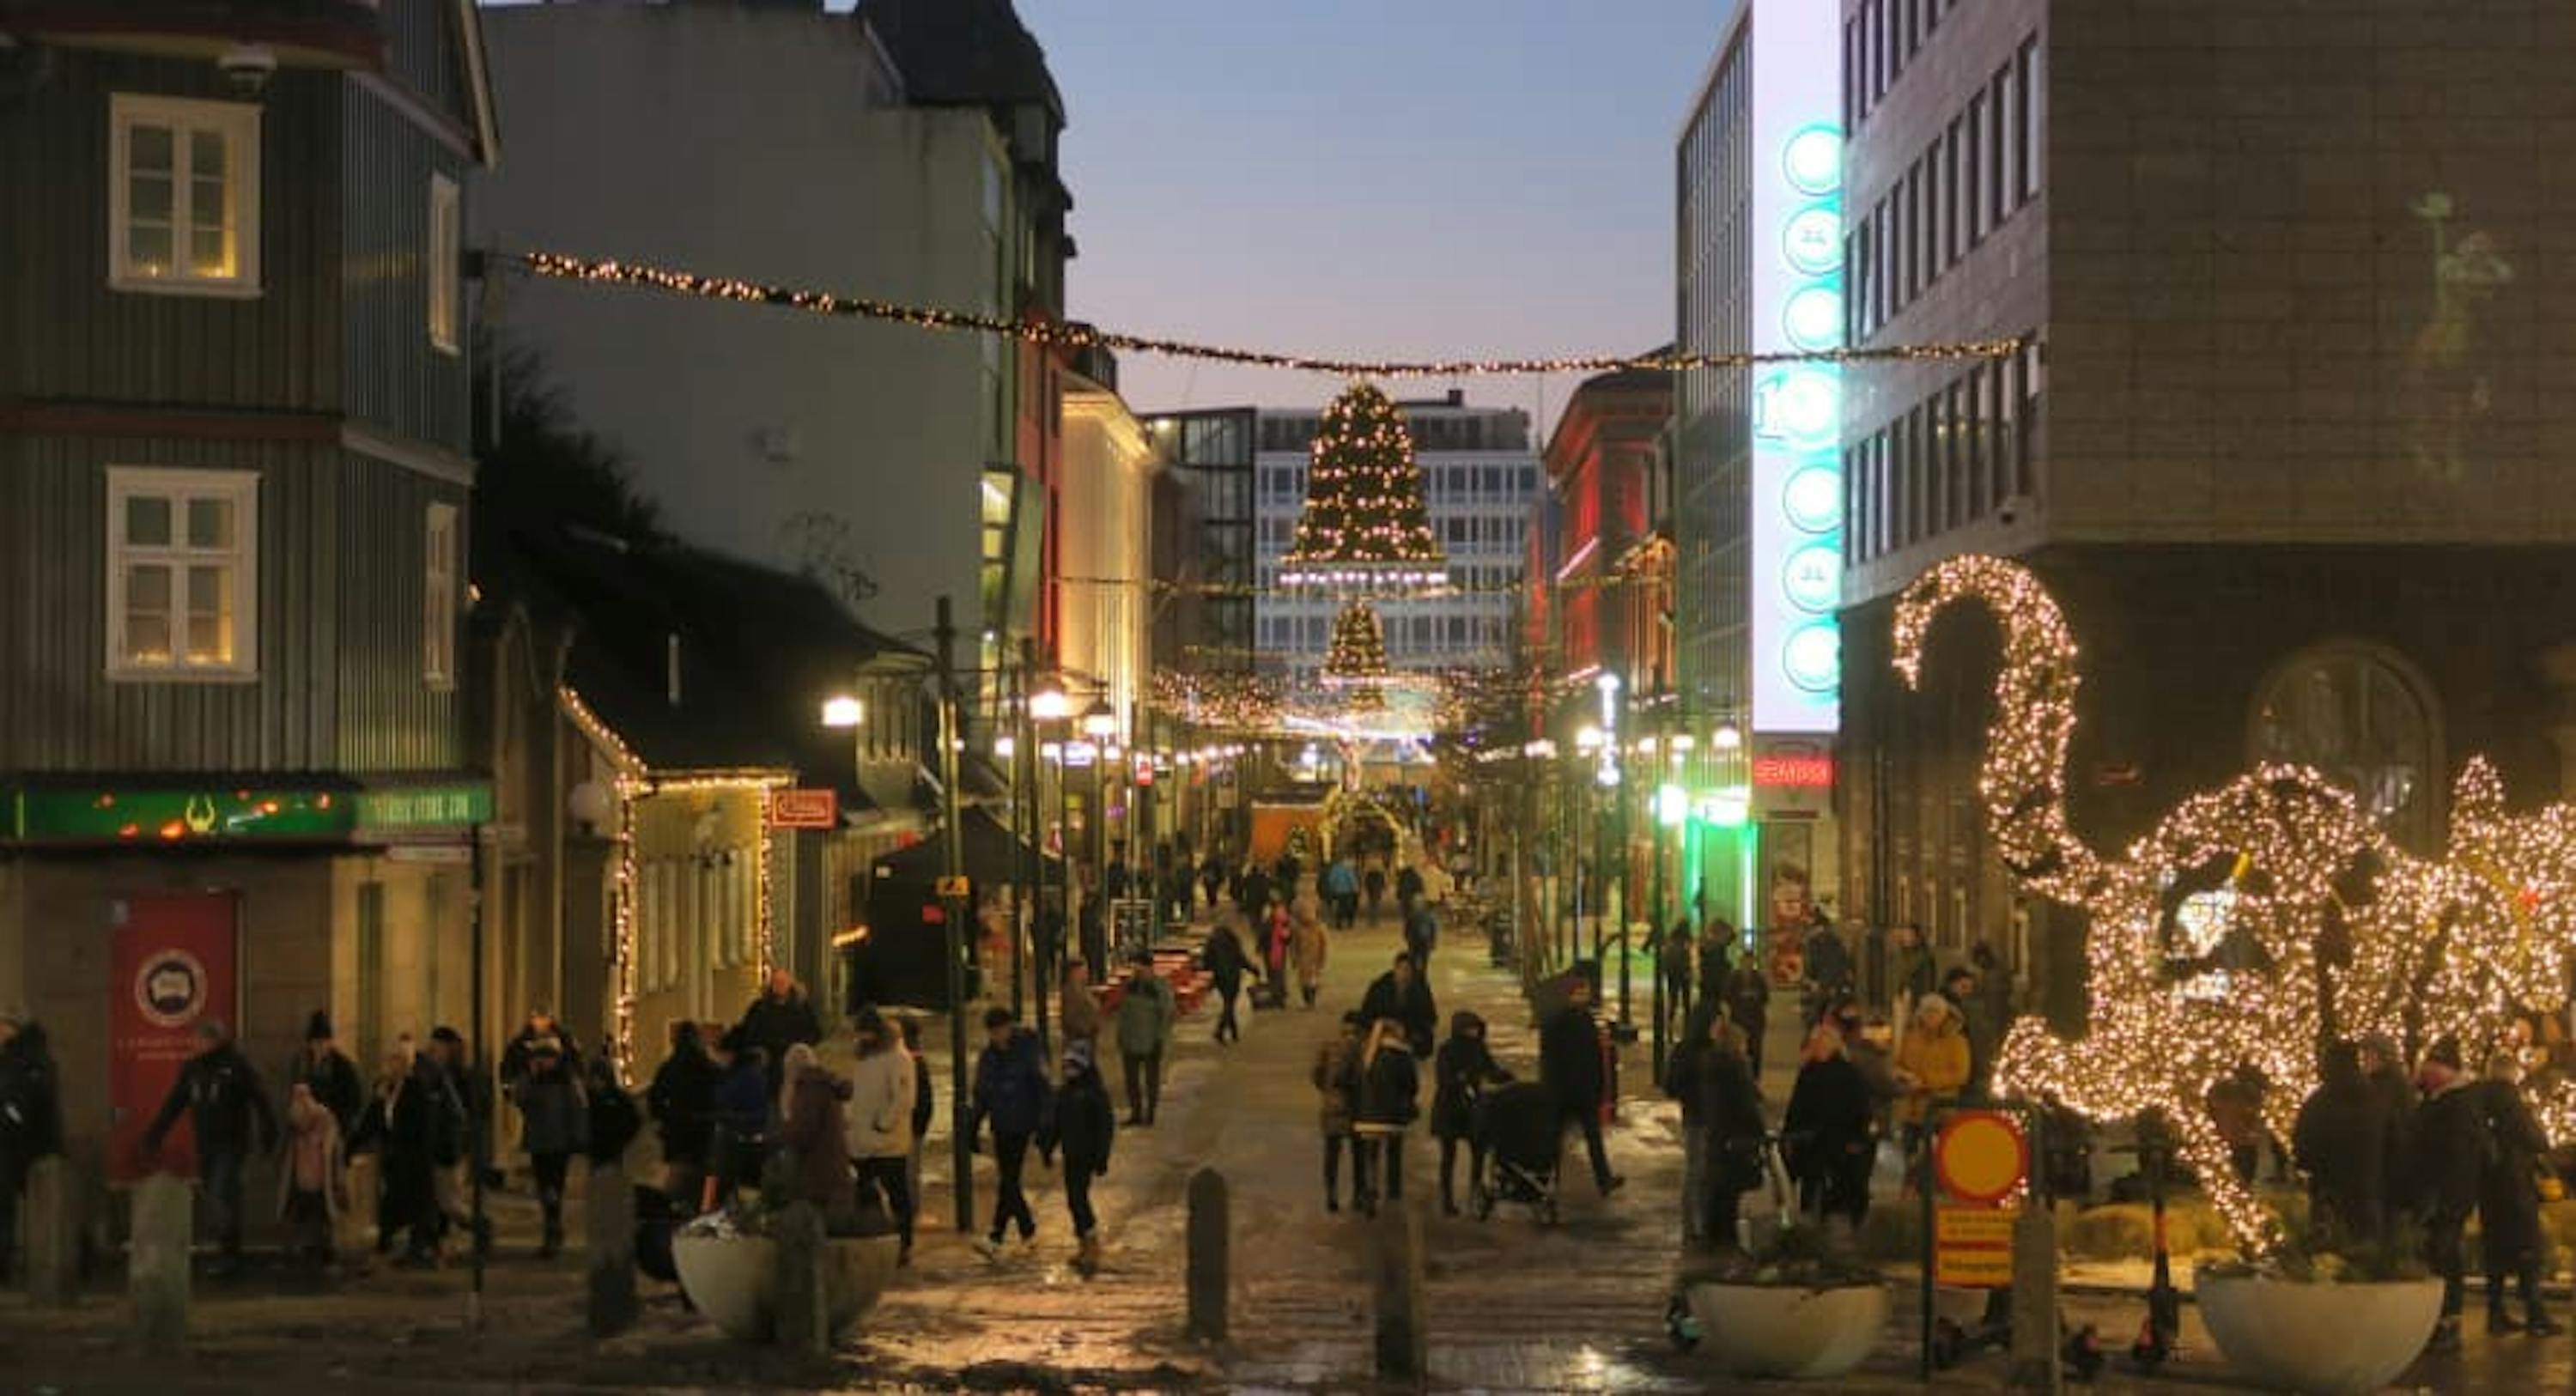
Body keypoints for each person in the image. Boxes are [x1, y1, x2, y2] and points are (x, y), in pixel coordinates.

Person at [141, 1018, 277, 1275]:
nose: (194, 1044)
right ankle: (229, 1251)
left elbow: (260, 1098)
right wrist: (155, 1134)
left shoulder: (236, 1065)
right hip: (206, 1144)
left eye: (199, 1040)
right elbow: (176, 1102)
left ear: (213, 1041)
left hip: (232, 1143)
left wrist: (268, 1132)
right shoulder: (192, 1069)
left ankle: (229, 1253)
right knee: (219, 1196)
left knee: (221, 1191)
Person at [2407, 1038, 2488, 1353]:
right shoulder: (2437, 1101)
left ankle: (2448, 1322)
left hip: (2445, 1197)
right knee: (2438, 1255)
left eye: (2431, 1067)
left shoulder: (2457, 1105)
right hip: (2437, 1194)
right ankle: (2440, 1321)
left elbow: (2458, 1158)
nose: (2425, 1073)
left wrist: (2446, 1198)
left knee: (2445, 1256)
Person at [2477, 1052, 2560, 1335]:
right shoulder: (2512, 1102)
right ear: (2512, 1073)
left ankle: (2495, 1313)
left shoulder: (2477, 1102)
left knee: (2495, 1251)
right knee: (2527, 1248)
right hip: (2515, 1186)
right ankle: (2535, 1314)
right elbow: (2538, 1140)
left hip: (2488, 1189)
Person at [2291, 1041, 2398, 1241]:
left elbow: (2302, 1144)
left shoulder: (2319, 1102)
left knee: (2330, 1253)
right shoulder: (2375, 1097)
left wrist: (2310, 1171)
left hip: (2329, 1189)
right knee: (2366, 1251)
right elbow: (2393, 1141)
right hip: (2369, 1189)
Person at [967, 1008, 1051, 1257]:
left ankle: (1001, 1235)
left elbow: (1042, 1086)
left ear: (1008, 1027)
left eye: (999, 1030)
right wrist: (974, 1124)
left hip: (1023, 1121)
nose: (997, 1036)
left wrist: (1045, 1124)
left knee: (1009, 1179)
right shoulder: (989, 1057)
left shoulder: (1027, 1050)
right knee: (1008, 1179)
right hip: (1001, 1122)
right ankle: (1022, 1233)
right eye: (992, 1032)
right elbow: (982, 1092)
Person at [1785, 1019, 1877, 1236]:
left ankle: (1842, 1230)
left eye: (1820, 1043)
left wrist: (1858, 1138)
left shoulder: (1849, 1074)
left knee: (1841, 1190)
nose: (1816, 1047)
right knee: (1811, 1188)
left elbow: (1862, 1108)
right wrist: (1789, 1136)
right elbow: (1796, 1107)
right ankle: (1812, 1231)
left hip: (1839, 1143)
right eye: (1814, 1043)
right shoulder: (1808, 1072)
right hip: (1811, 1142)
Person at [845, 1008, 916, 1263]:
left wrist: (884, 1124)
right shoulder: (864, 1057)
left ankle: (903, 1243)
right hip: (861, 1139)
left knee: (897, 1193)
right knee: (862, 1191)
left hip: (888, 1142)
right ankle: (872, 1238)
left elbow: (903, 1099)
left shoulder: (898, 1058)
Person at [1540, 977, 1623, 1198]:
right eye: (1580, 993)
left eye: (1586, 993)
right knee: (1554, 1139)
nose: (1585, 997)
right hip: (1564, 1091)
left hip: (1584, 1091)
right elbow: (1550, 1060)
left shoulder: (1585, 1020)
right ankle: (1548, 1180)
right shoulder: (1556, 1023)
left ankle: (1603, 1180)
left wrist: (1599, 1087)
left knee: (1593, 1137)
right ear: (1570, 995)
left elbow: (1595, 1056)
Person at [1041, 1039, 1116, 1272]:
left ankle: (1090, 1243)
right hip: (1071, 1154)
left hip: (1085, 1156)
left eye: (1074, 1065)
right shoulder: (1065, 1094)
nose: (1069, 1070)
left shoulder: (1094, 1095)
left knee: (1078, 1198)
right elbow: (1056, 1124)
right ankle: (1085, 1243)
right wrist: (1047, 1148)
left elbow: (1104, 1128)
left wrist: (1101, 1157)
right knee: (1074, 1200)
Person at [509, 1032, 587, 1258]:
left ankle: (553, 1231)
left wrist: (577, 1137)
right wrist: (529, 1076)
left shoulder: (567, 1079)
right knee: (545, 1188)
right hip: (539, 1141)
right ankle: (552, 1228)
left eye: (547, 1057)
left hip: (559, 1143)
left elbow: (578, 1107)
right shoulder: (532, 1078)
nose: (543, 1062)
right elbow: (519, 1099)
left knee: (553, 1187)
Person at [1431, 1011, 1513, 1217]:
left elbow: (1490, 1070)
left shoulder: (1478, 1048)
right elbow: (1444, 1079)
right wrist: (1463, 1078)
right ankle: (1447, 1199)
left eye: (1476, 1028)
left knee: (1478, 1152)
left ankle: (1474, 1194)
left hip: (1471, 1109)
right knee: (1449, 1156)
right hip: (1450, 1108)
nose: (1474, 1032)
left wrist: (1504, 1077)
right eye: (1470, 1028)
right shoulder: (1447, 1050)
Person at [1694, 1022, 1766, 1253]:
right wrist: (1759, 1131)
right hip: (1736, 1139)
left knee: (1720, 1188)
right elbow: (1746, 1107)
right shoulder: (1735, 1070)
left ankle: (1714, 1236)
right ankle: (1725, 1240)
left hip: (1720, 1135)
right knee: (1730, 1191)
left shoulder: (1712, 1066)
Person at [0, 1015, 63, 1279]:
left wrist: (10, 1117)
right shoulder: (13, 1061)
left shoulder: (30, 1061)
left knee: (36, 1206)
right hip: (15, 1142)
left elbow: (23, 1102)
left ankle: (69, 1259)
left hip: (25, 1144)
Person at [770, 1040, 854, 1231]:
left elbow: (803, 1130)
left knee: (813, 1228)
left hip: (816, 1169)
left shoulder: (809, 1088)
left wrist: (779, 1136)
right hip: (831, 1166)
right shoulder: (824, 1086)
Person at [647, 1021, 722, 1205]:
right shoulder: (709, 1068)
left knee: (677, 1181)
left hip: (676, 1130)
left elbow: (655, 1099)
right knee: (704, 1180)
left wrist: (665, 1117)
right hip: (704, 1131)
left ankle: (676, 1213)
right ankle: (702, 1211)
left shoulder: (669, 1068)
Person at [1352, 1018, 1420, 1215]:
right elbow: (1412, 1086)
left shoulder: (1366, 1054)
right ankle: (1393, 1191)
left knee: (1371, 1155)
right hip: (1394, 1115)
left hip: (1368, 1116)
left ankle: (1371, 1191)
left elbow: (1356, 1082)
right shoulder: (1403, 1055)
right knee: (1394, 1152)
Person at [277, 1081, 348, 1270]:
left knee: (319, 1215)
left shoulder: (324, 1120)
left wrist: (338, 1178)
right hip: (305, 1178)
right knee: (307, 1214)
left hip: (318, 1179)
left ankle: (322, 1251)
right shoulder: (300, 1122)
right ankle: (311, 1249)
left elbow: (334, 1153)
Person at [1893, 995, 1970, 1162]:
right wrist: (1905, 1077)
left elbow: (1960, 1074)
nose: (1930, 1016)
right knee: (1911, 1156)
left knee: (1940, 1157)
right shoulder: (1910, 1037)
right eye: (1927, 1011)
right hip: (1911, 1108)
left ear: (1944, 1014)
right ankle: (1912, 1185)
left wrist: (1927, 1081)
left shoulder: (1957, 1041)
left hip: (1941, 1109)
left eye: (1935, 1012)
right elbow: (1897, 1063)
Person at [708, 1031, 772, 1210]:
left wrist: (728, 1117)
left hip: (739, 1144)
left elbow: (757, 1113)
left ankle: (711, 1211)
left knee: (721, 1183)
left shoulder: (744, 1076)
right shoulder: (743, 1074)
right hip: (739, 1141)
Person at [736, 969, 823, 1095]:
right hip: (768, 1059)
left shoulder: (801, 1007)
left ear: (790, 983)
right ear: (771, 985)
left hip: (793, 1058)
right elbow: (748, 1032)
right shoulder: (760, 1007)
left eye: (783, 982)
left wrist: (801, 1046)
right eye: (776, 982)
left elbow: (815, 1033)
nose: (779, 986)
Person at [1311, 1012, 1364, 1212]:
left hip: (1332, 1106)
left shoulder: (1328, 1047)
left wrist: (1328, 1091)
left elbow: (1316, 1075)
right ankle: (1358, 1194)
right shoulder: (1362, 1048)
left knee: (1332, 1152)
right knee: (1358, 1152)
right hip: (1356, 1107)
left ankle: (1331, 1193)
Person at [1115, 960, 1176, 1126]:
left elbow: (1166, 1014)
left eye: (1141, 967)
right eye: (1136, 968)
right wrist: (1121, 1036)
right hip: (1131, 1041)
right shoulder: (1130, 986)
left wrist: (1160, 1037)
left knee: (1151, 1080)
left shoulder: (1158, 987)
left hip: (1150, 1041)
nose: (1138, 971)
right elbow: (1123, 1013)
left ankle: (1149, 1114)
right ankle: (1136, 1112)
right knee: (1132, 1080)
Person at [289, 1011, 365, 1142]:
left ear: (330, 1042)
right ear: (310, 1043)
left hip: (334, 1129)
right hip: (307, 1129)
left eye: (324, 1042)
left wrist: (337, 1118)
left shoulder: (343, 1067)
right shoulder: (302, 1064)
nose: (320, 1046)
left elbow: (355, 1099)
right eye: (316, 1042)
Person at [1360, 951, 1439, 1059]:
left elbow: (1431, 1018)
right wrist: (1387, 1022)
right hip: (1383, 1030)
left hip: (1409, 1034)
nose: (1405, 974)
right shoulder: (1379, 987)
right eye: (1403, 969)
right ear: (1395, 969)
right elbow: (1366, 1014)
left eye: (1410, 971)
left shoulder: (1420, 989)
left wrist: (1407, 1029)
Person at [900, 1016, 933, 1215]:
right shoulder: (916, 1060)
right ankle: (909, 1208)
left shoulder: (912, 1061)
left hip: (910, 1123)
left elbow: (920, 1099)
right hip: (912, 1123)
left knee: (909, 1170)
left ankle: (910, 1210)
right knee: (909, 1169)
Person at [585, 1057, 641, 1175]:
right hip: (595, 1149)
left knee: (613, 1179)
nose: (596, 1082)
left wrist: (622, 1138)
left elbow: (635, 1119)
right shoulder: (588, 1098)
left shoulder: (618, 1096)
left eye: (599, 1078)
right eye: (593, 1078)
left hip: (613, 1148)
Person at [1203, 917, 1255, 1046]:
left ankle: (1233, 1032)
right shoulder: (1233, 940)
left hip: (1220, 977)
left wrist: (1210, 971)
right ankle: (1220, 1031)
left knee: (1228, 1004)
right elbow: (1240, 958)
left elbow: (1207, 961)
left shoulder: (1212, 941)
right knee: (1229, 1004)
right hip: (1233, 976)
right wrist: (1252, 969)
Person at [1723, 956, 1772, 1078]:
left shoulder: (1759, 978)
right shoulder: (1733, 978)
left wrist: (1755, 997)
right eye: (1745, 963)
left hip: (1755, 1020)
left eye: (1750, 963)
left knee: (1755, 1052)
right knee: (1738, 1051)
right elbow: (1727, 996)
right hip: (1738, 1020)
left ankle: (1754, 1078)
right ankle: (1740, 1077)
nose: (1747, 965)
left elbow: (1765, 998)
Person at [1886, 923, 1935, 1026]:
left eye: (1910, 935)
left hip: (1916, 998)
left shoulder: (1924, 957)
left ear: (1917, 937)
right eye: (1905, 935)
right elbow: (1894, 977)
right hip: (1900, 998)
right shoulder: (1898, 954)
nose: (1906, 938)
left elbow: (1928, 982)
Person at [1290, 897, 1330, 1009]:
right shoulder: (1297, 929)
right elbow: (1294, 945)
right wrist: (1293, 958)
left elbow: (1324, 944)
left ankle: (1312, 1001)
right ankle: (1307, 1000)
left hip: (1315, 959)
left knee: (1313, 981)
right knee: (1303, 982)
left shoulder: (1320, 928)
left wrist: (1323, 958)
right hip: (1303, 959)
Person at [1060, 962, 1103, 1047]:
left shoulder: (1083, 989)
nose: (1086, 975)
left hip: (1086, 1036)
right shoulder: (1071, 992)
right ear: (1074, 974)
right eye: (1083, 972)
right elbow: (1070, 1016)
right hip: (1080, 1037)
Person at [1401, 892, 1439, 970]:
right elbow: (1433, 929)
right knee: (1422, 961)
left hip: (1418, 941)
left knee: (1417, 961)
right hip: (1421, 941)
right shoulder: (1428, 915)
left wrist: (1407, 938)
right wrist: (1433, 942)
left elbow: (1407, 929)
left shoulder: (1413, 915)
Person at [1325, 856, 1361, 929]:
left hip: (1338, 891)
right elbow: (1351, 879)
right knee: (1349, 907)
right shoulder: (1347, 869)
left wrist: (1333, 888)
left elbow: (1331, 880)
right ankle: (1349, 923)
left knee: (1340, 907)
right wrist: (1356, 889)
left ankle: (1339, 923)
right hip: (1347, 891)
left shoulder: (1335, 869)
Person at [1364, 859, 1389, 924]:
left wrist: (1366, 888)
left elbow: (1366, 883)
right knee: (1376, 905)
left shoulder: (1369, 875)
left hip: (1371, 891)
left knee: (1371, 905)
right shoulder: (1380, 875)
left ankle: (1371, 920)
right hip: (1377, 891)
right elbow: (1383, 883)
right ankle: (1375, 920)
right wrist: (1385, 888)